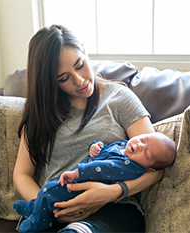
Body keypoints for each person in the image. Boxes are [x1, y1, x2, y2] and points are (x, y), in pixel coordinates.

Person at [13, 24, 164, 233]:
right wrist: (50, 206)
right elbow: (22, 175)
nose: (80, 80)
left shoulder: (119, 99)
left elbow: (157, 168)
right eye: (64, 78)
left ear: (84, 50)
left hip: (113, 209)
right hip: (52, 210)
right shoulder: (42, 113)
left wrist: (113, 192)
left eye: (79, 64)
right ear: (51, 83)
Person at [13, 132, 176, 233]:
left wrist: (115, 191)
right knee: (48, 192)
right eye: (142, 139)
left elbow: (102, 167)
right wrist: (95, 147)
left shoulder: (131, 165)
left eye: (146, 153)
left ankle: (39, 220)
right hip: (69, 193)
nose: (139, 145)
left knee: (49, 191)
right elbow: (21, 175)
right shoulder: (124, 146)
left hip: (104, 200)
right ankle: (37, 207)